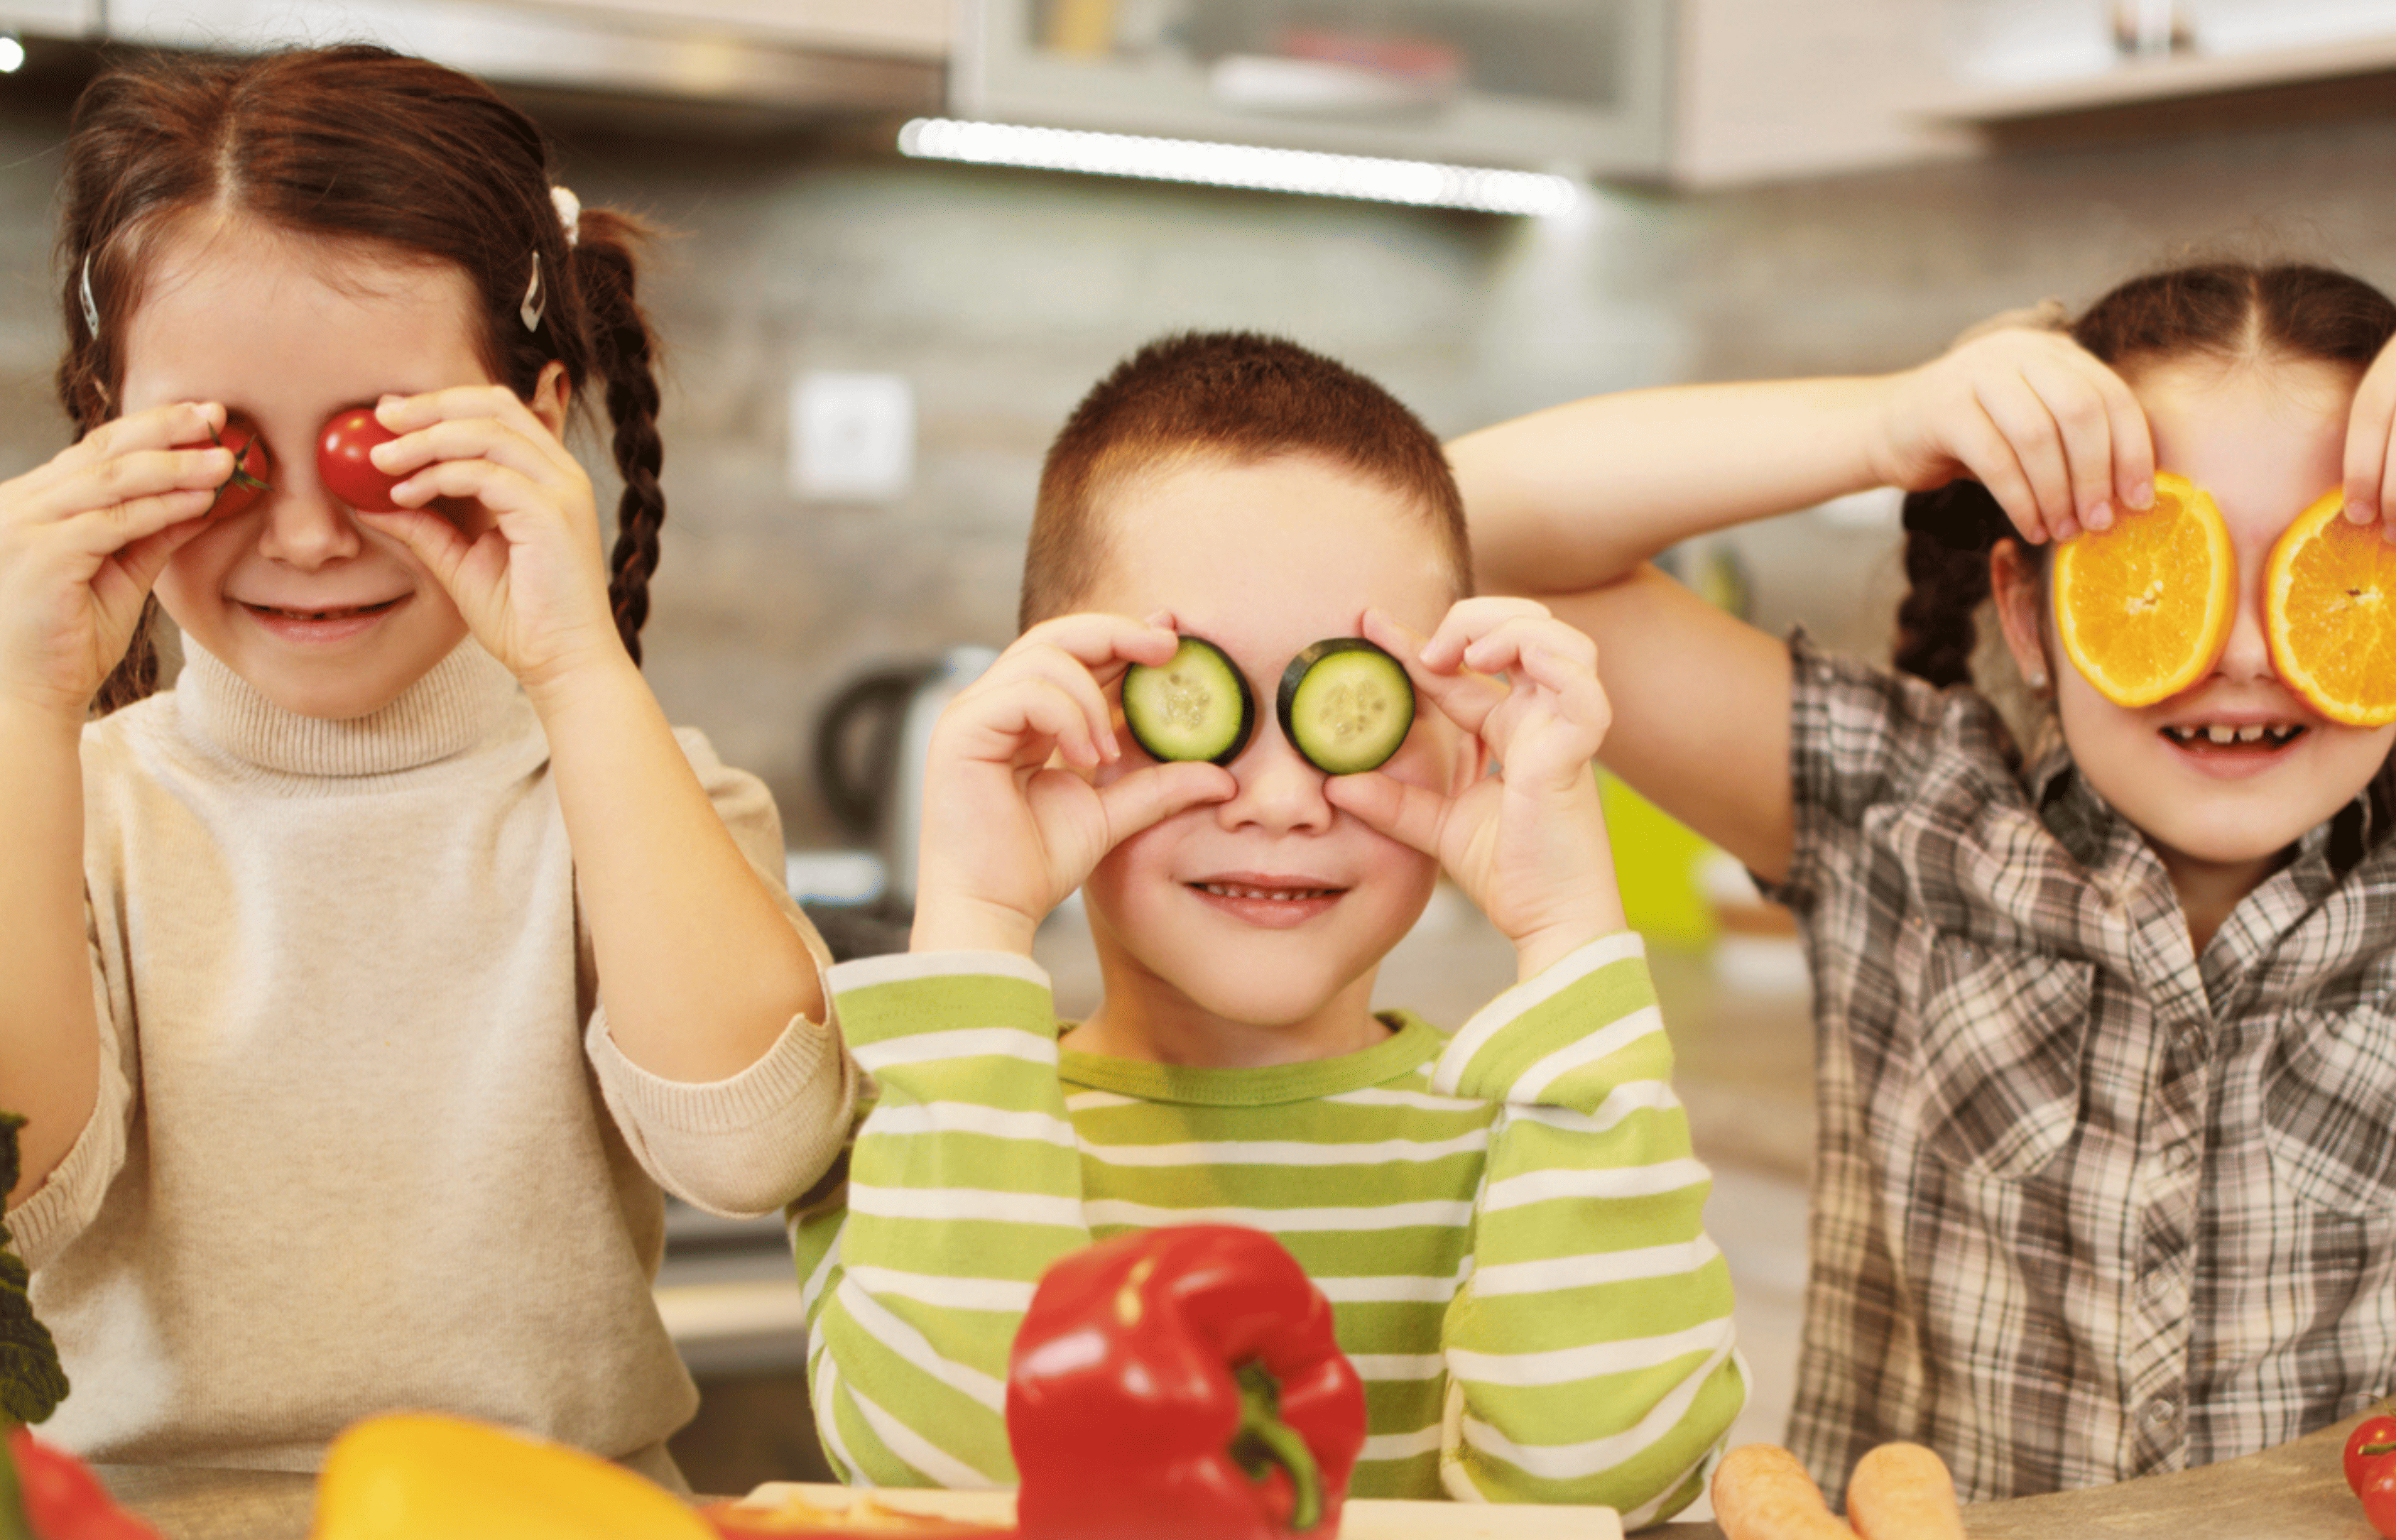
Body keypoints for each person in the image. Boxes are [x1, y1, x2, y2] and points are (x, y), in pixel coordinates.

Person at [0, 45, 855, 1478]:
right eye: (220, 456)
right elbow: (10, 1194)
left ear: (532, 427)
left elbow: (753, 1146)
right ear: (104, 440)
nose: (311, 541)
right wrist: (25, 701)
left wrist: (577, 663)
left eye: (379, 453)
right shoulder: (61, 815)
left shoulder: (639, 799)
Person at [1451, 261, 2396, 1505]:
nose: (2239, 652)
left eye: (2338, 580)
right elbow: (1453, 524)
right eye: (2156, 572)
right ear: (2026, 609)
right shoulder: (1891, 806)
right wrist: (1886, 420)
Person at [790, 332, 1743, 1524]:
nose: (1283, 800)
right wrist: (978, 918)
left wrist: (1568, 930)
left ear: (1462, 723)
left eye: (1349, 701)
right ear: (1058, 713)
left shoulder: (1541, 1124)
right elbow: (948, 1486)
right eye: (1195, 701)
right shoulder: (934, 1116)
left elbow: (1610, 1488)